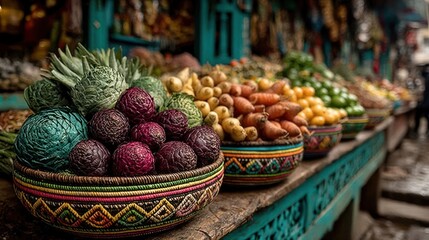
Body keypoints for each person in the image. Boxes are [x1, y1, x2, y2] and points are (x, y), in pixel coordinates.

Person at [413, 64, 429, 137]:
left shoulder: (426, 77)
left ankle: (416, 131)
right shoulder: (426, 77)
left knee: (420, 115)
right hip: (425, 102)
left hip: (425, 102)